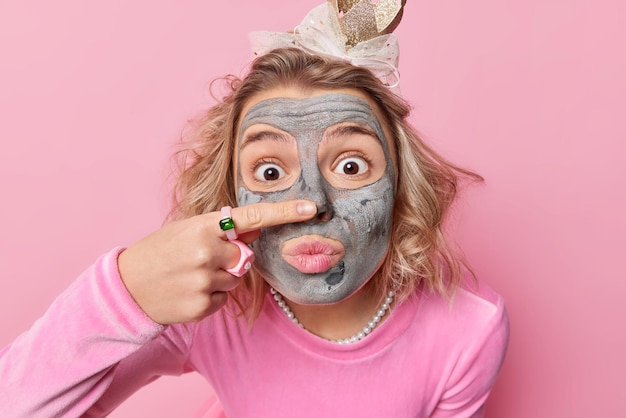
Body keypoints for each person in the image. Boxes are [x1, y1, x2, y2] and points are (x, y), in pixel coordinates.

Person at [0, 1, 509, 417]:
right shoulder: (202, 313)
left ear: (401, 187)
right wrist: (124, 289)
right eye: (269, 173)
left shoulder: (470, 326)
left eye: (351, 166)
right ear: (230, 195)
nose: (311, 206)